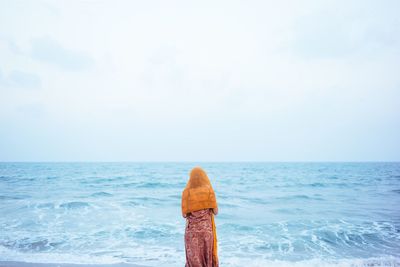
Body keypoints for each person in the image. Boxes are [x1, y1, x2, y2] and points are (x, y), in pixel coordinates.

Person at [182, 167, 219, 267]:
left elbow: (184, 214)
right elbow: (215, 212)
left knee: (193, 261)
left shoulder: (186, 192)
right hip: (206, 232)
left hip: (192, 232)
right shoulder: (209, 191)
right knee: (206, 261)